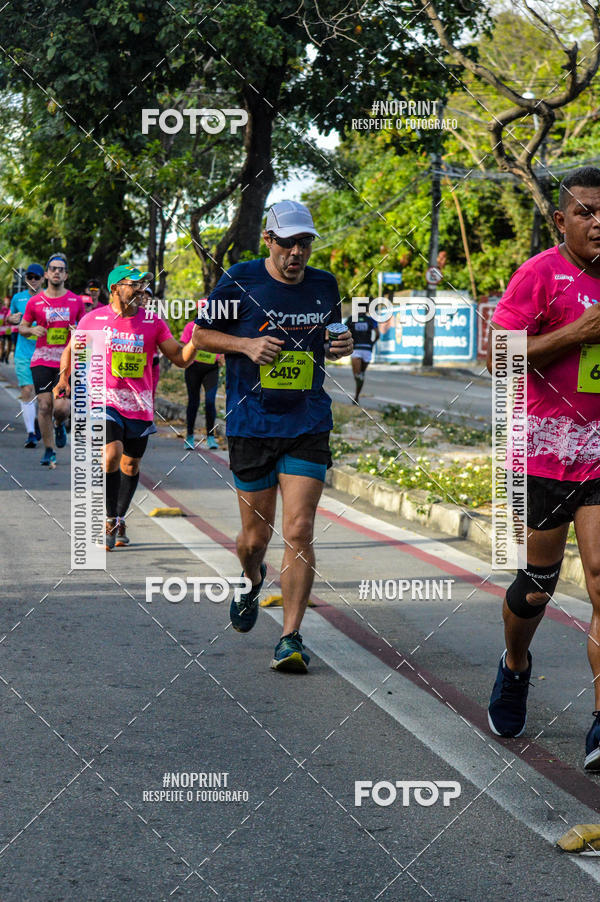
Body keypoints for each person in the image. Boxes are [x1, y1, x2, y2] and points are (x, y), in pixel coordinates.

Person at [191, 200, 353, 672]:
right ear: (269, 240)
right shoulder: (239, 279)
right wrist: (245, 344)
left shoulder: (324, 284)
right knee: (253, 538)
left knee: (299, 528)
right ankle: (250, 576)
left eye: (304, 243)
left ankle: (290, 637)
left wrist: (343, 345)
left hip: (307, 420)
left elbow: (336, 336)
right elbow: (201, 336)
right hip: (252, 423)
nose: (296, 253)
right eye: (287, 243)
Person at [486, 166, 600, 771]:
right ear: (562, 220)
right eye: (586, 212)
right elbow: (496, 358)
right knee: (536, 588)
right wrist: (578, 333)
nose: (599, 223)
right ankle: (515, 665)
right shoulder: (541, 274)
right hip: (545, 453)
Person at [56, 265, 198, 549]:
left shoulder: (153, 322)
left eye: (143, 285)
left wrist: (197, 339)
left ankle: (119, 516)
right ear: (115, 289)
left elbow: (180, 358)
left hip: (140, 403)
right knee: (112, 454)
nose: (141, 290)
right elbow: (72, 348)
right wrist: (64, 377)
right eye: (134, 284)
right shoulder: (93, 319)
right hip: (103, 398)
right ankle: (109, 519)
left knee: (131, 465)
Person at [19, 253, 84, 467]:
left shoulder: (75, 301)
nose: (57, 272)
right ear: (47, 273)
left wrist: (78, 332)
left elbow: (86, 329)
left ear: (66, 275)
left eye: (61, 269)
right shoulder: (36, 301)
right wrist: (31, 329)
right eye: (53, 268)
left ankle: (59, 424)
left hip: (66, 362)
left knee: (62, 408)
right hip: (42, 360)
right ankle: (49, 450)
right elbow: (22, 327)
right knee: (45, 405)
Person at [7, 263, 45, 446]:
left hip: (44, 353)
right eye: (30, 277)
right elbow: (10, 316)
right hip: (23, 352)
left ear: (42, 279)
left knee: (43, 395)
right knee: (27, 390)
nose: (33, 281)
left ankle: (38, 420)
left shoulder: (49, 299)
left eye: (37, 277)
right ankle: (30, 433)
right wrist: (10, 318)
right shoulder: (18, 298)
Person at [180, 312, 220, 450]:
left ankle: (210, 437)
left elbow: (224, 344)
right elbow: (183, 345)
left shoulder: (217, 327)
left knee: (210, 401)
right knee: (193, 401)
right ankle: (189, 436)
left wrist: (222, 356)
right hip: (193, 369)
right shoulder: (190, 327)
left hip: (212, 369)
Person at [344, 309, 380, 403]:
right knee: (361, 374)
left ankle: (356, 397)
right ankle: (356, 396)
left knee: (357, 375)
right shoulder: (371, 320)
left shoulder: (351, 319)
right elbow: (377, 334)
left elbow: (344, 332)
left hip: (356, 349)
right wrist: (371, 344)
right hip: (367, 349)